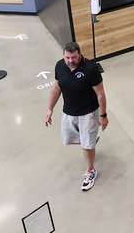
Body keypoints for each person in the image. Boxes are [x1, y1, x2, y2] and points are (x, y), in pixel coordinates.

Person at [44, 42, 108, 191]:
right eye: (67, 57)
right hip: (69, 112)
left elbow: (100, 93)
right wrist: (49, 109)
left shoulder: (91, 69)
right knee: (69, 139)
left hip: (88, 114)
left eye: (73, 57)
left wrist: (103, 115)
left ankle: (91, 171)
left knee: (87, 145)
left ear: (80, 54)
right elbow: (56, 88)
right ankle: (90, 141)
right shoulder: (60, 66)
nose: (70, 61)